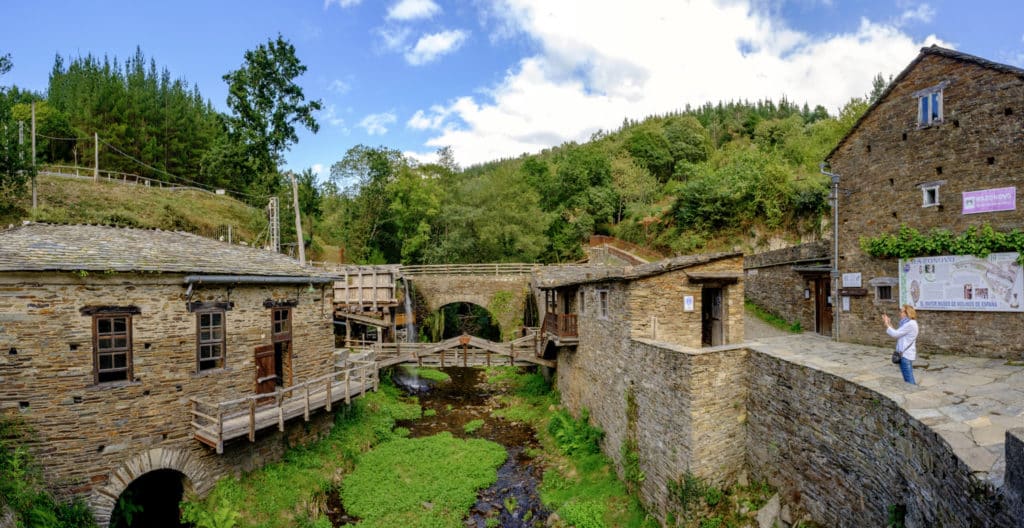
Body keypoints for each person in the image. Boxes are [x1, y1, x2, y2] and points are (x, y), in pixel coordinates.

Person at [883, 304, 919, 385]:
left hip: (905, 355)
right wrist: (889, 323)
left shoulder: (910, 324)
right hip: (903, 354)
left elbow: (895, 334)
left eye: (901, 311)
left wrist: (886, 324)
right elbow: (898, 333)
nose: (900, 313)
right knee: (907, 379)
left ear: (907, 313)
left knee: (909, 380)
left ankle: (913, 394)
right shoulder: (906, 323)